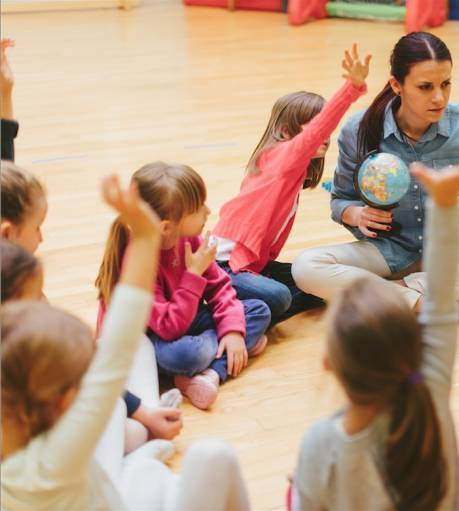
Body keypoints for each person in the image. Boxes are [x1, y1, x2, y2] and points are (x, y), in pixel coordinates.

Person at [1, 175, 251, 510]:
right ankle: (140, 441)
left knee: (144, 461)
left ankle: (139, 443)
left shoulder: (29, 457)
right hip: (105, 485)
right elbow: (116, 346)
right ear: (61, 399)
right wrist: (146, 237)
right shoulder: (59, 452)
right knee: (210, 457)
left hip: (98, 478)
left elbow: (112, 356)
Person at [292, 162, 459, 510]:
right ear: (414, 352)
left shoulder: (321, 442)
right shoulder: (431, 397)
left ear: (329, 361)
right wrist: (445, 209)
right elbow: (442, 306)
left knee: (294, 491)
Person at [292, 32, 459, 331]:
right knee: (306, 267)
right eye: (425, 87)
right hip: (385, 251)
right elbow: (341, 200)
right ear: (396, 85)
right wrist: (356, 214)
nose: (439, 97)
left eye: (446, 84)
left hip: (453, 251)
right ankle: (437, 306)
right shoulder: (359, 128)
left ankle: (388, 291)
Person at [213, 44, 370, 323]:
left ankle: (241, 299)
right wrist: (351, 89)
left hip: (253, 264)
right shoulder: (280, 157)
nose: (324, 134)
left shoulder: (286, 168)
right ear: (286, 131)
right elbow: (318, 130)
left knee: (310, 281)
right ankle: (226, 308)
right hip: (225, 266)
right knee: (281, 297)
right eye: (315, 127)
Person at [95, 162, 270, 409]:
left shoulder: (190, 239)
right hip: (153, 338)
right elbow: (169, 328)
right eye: (198, 209)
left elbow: (221, 288)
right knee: (187, 355)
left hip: (185, 317)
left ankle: (208, 373)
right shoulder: (138, 260)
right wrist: (194, 273)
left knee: (259, 310)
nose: (208, 211)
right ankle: (214, 363)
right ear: (167, 226)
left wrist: (232, 331)